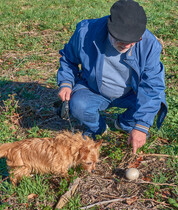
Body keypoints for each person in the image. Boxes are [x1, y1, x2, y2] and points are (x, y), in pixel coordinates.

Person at [57, 0, 167, 154]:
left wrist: (141, 126)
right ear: (109, 28)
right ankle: (98, 128)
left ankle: (124, 123)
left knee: (154, 103)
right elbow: (69, 59)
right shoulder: (86, 32)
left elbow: (152, 87)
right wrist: (66, 82)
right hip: (94, 90)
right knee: (79, 105)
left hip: (132, 93)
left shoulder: (150, 45)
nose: (127, 45)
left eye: (133, 41)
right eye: (120, 40)